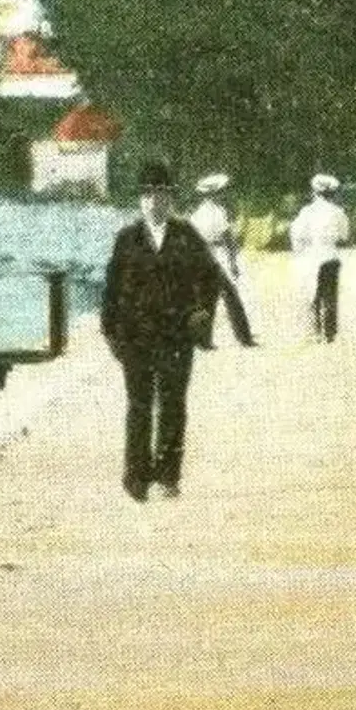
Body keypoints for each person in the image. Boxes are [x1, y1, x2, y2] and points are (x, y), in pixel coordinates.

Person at [100, 161, 221, 501]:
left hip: (176, 336)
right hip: (135, 337)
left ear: (171, 199)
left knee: (172, 404)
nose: (154, 202)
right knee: (138, 406)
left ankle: (168, 476)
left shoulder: (186, 235)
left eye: (161, 195)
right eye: (148, 195)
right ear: (140, 200)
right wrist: (110, 331)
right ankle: (136, 478)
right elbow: (111, 288)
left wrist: (202, 313)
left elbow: (210, 276)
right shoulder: (127, 239)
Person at [186, 172, 256, 348]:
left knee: (206, 298)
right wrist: (233, 262)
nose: (223, 195)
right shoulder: (219, 212)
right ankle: (244, 337)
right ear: (215, 193)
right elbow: (228, 239)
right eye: (221, 192)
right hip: (217, 254)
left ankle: (203, 340)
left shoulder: (196, 214)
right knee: (231, 297)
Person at [290, 172, 351, 343]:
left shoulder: (306, 212)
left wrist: (299, 252)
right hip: (330, 256)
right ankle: (329, 333)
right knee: (330, 295)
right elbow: (344, 236)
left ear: (314, 192)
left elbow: (297, 234)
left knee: (313, 294)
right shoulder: (338, 211)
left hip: (311, 257)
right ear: (331, 193)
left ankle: (315, 331)